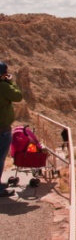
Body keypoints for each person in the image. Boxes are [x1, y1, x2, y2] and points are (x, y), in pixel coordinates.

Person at [0, 62, 22, 197]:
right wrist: (11, 82)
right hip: (2, 130)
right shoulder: (3, 86)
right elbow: (18, 96)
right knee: (0, 158)